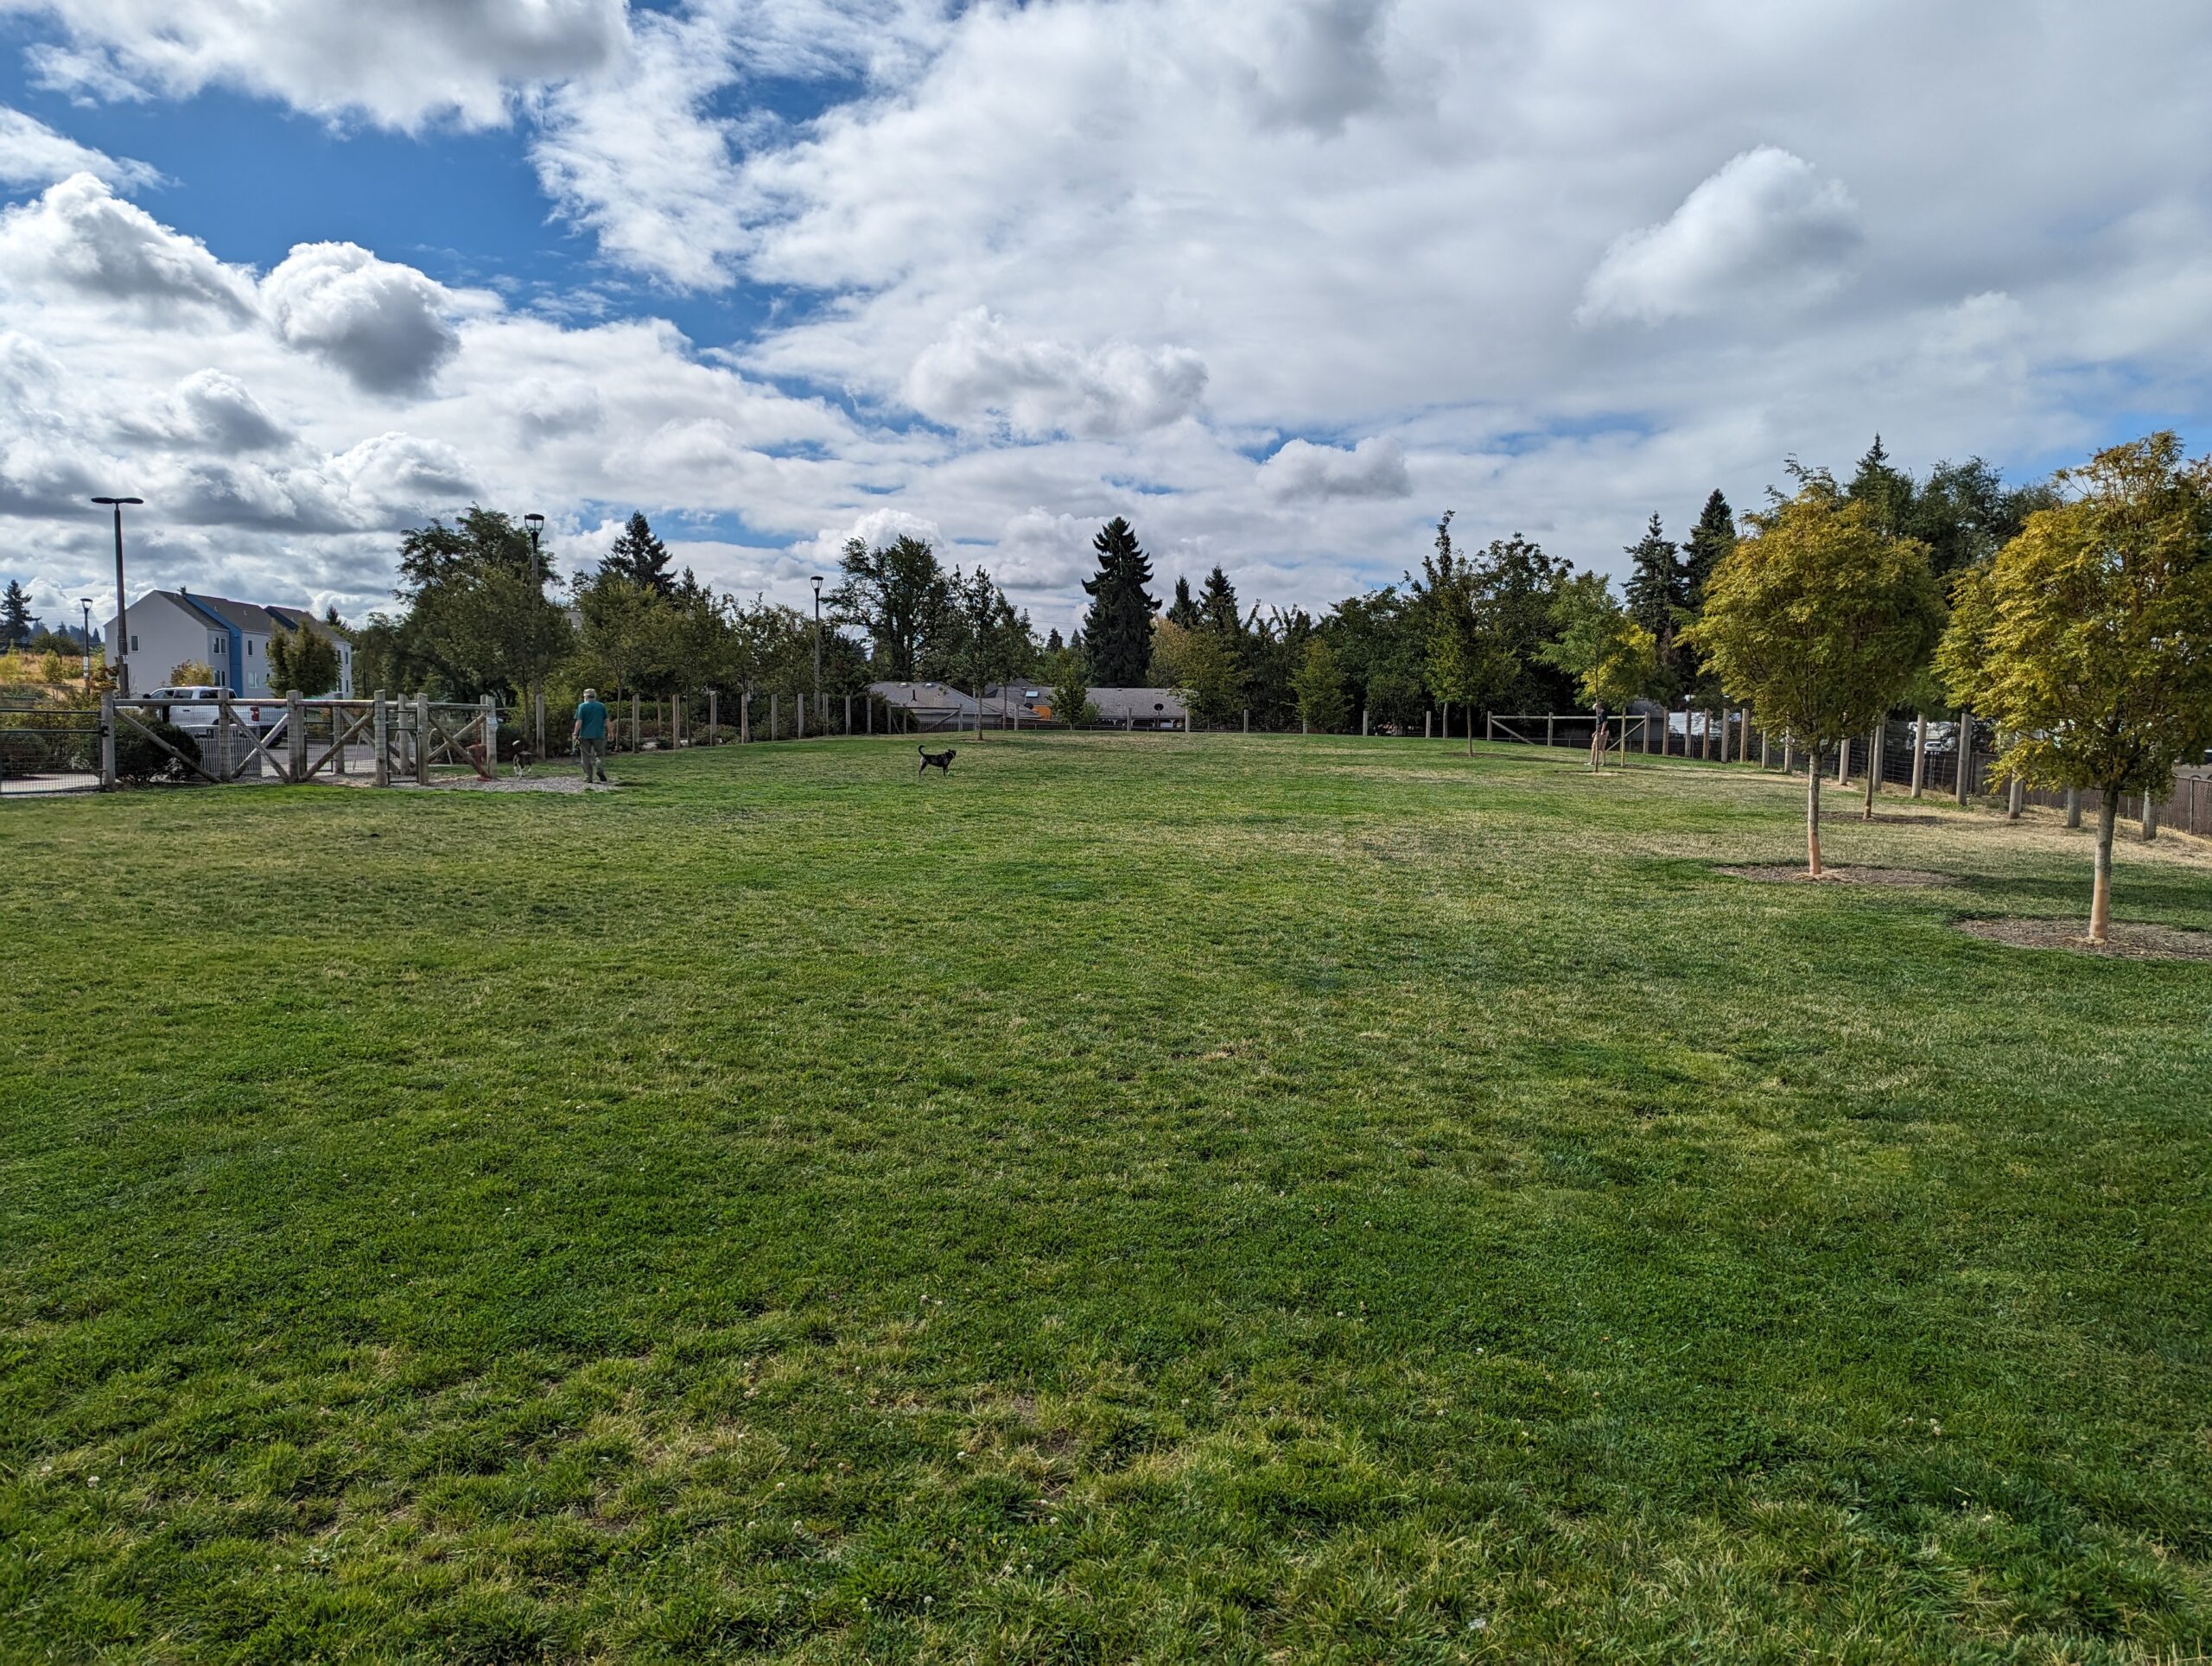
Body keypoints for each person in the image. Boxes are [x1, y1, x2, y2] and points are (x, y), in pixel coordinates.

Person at [573, 687, 610, 783]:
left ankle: (588, 777)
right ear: (594, 696)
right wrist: (610, 732)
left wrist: (575, 733)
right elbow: (607, 720)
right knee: (600, 754)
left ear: (585, 696)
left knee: (585, 757)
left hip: (585, 735)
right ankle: (600, 768)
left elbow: (579, 721)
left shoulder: (582, 706)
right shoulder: (601, 706)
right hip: (599, 734)